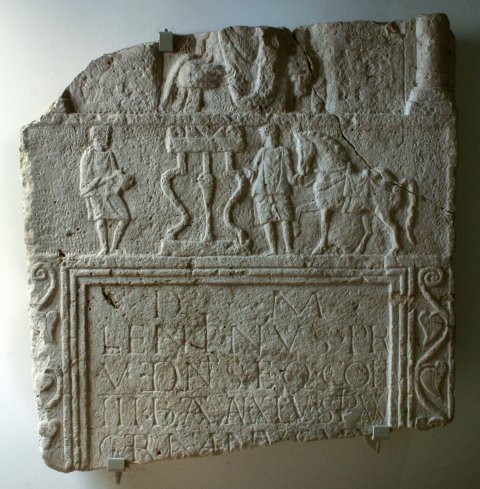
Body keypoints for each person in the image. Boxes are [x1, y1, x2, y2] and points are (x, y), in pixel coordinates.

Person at [79, 125, 134, 254]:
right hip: (96, 191)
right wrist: (106, 179)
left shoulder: (109, 154)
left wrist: (122, 178)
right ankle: (104, 248)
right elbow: (86, 180)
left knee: (125, 217)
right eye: (106, 136)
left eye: (108, 136)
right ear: (98, 137)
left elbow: (115, 172)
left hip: (110, 191)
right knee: (101, 219)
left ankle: (114, 247)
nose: (108, 139)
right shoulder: (88, 155)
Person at [248, 124, 296, 254]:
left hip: (272, 190)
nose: (262, 138)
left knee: (283, 219)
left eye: (262, 135)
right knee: (272, 220)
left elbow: (253, 172)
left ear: (267, 135)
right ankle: (277, 250)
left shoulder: (278, 152)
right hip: (267, 190)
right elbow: (253, 172)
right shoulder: (267, 152)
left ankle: (286, 249)